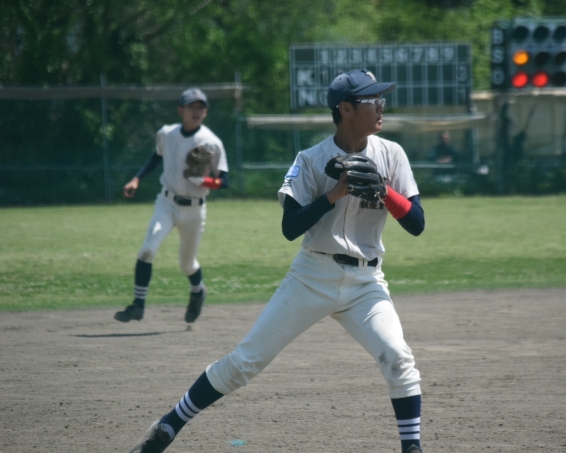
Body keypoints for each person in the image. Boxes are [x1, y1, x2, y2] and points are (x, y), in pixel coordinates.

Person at [126, 69, 426, 453]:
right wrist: (333, 195)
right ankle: (168, 425)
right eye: (372, 100)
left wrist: (385, 192)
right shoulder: (311, 159)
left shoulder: (392, 154)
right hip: (312, 276)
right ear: (346, 109)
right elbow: (290, 227)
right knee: (245, 362)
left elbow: (416, 224)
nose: (381, 105)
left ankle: (412, 448)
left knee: (399, 358)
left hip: (366, 284)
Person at [114, 88, 229, 324]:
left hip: (195, 210)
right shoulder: (167, 134)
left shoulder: (211, 142)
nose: (196, 111)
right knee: (147, 250)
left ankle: (198, 292)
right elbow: (157, 156)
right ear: (180, 110)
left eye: (201, 107)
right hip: (166, 203)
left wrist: (203, 181)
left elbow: (224, 181)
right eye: (191, 107)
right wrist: (137, 179)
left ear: (206, 112)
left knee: (187, 264)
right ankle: (138, 305)